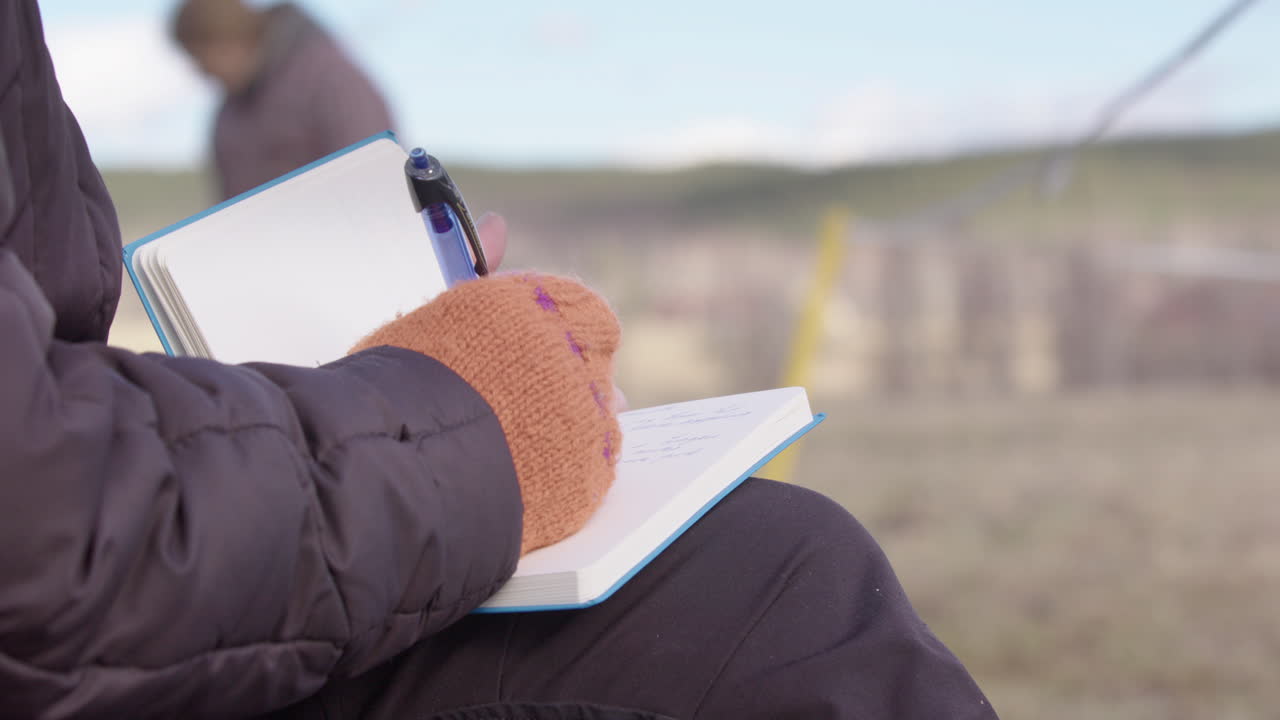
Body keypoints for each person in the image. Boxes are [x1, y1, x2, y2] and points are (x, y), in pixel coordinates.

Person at [0, 1, 999, 718]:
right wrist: (460, 415)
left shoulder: (319, 78)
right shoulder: (236, 112)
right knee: (779, 583)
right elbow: (44, 527)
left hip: (186, 518)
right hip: (105, 611)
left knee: (770, 554)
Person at [171, 0, 395, 200]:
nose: (202, 73)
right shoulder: (228, 113)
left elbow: (375, 180)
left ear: (226, 44)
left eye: (202, 61)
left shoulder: (331, 81)